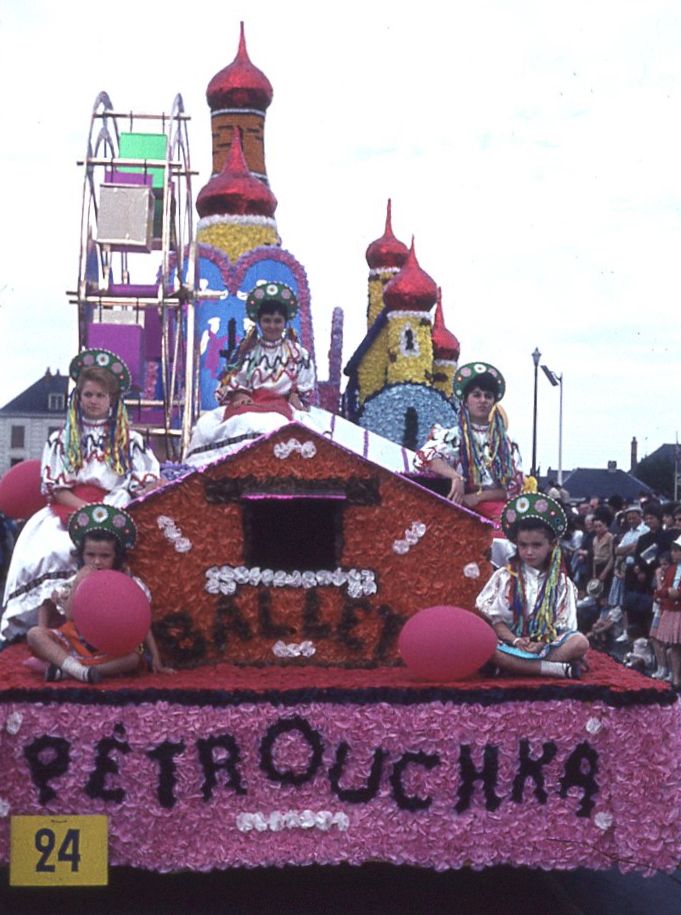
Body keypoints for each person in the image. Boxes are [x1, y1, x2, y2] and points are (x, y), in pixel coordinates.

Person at [1, 349, 160, 643]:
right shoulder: (61, 439)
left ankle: (114, 625)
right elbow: (57, 489)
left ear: (112, 399)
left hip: (117, 505)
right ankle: (45, 629)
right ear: (79, 397)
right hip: (70, 506)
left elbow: (147, 481)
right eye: (88, 394)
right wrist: (87, 510)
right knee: (48, 549)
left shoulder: (130, 440)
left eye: (100, 395)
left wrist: (135, 497)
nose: (94, 401)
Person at [26, 504, 172, 683]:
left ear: (115, 557)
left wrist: (156, 657)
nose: (97, 561)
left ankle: (70, 670)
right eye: (90, 554)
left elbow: (142, 623)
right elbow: (71, 614)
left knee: (133, 659)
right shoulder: (74, 581)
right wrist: (79, 581)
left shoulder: (129, 583)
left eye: (105, 556)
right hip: (74, 641)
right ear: (82, 555)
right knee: (34, 633)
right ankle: (80, 670)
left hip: (111, 647)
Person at [185, 282, 318, 466]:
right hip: (249, 402)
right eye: (267, 321)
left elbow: (303, 388)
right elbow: (231, 381)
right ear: (259, 322)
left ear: (285, 323)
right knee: (205, 424)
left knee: (271, 424)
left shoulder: (298, 354)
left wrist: (296, 397)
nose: (272, 326)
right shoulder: (247, 352)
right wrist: (240, 393)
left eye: (277, 321)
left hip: (281, 405)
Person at [475, 492, 589, 678]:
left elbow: (562, 626)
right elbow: (497, 621)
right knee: (480, 643)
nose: (529, 552)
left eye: (536, 545)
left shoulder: (561, 582)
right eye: (523, 545)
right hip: (509, 644)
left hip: (546, 644)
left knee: (580, 643)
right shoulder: (503, 576)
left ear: (552, 545)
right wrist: (517, 640)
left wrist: (540, 643)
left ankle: (514, 667)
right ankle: (552, 669)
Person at [414, 362, 523, 524]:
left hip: (495, 509)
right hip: (458, 505)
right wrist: (456, 477)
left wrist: (478, 497)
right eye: (477, 395)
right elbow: (422, 458)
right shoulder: (452, 436)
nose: (483, 400)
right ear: (465, 401)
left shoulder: (507, 443)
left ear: (493, 403)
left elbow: (514, 487)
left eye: (488, 396)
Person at [653, 535, 681, 689]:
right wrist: (667, 592)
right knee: (675, 647)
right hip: (672, 610)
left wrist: (671, 593)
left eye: (677, 551)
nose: (674, 554)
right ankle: (676, 678)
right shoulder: (671, 569)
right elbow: (662, 590)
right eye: (673, 550)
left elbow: (675, 592)